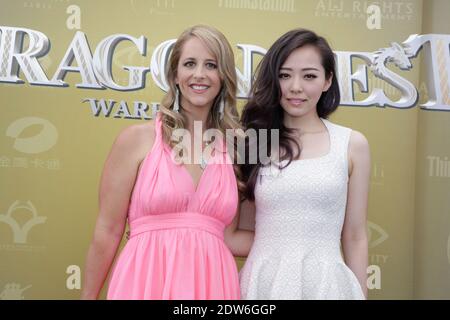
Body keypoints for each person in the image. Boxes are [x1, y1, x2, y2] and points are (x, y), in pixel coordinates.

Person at [80, 25, 253, 300]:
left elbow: (232, 238)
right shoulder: (137, 139)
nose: (199, 74)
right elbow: (108, 230)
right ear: (174, 75)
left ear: (224, 76)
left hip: (212, 286)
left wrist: (307, 239)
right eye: (189, 64)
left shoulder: (236, 150)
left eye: (211, 65)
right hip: (144, 281)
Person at [239, 29, 370, 299]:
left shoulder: (352, 144)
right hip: (263, 284)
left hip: (328, 286)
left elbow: (355, 236)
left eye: (309, 76)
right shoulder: (254, 143)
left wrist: (361, 293)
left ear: (327, 80)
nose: (295, 86)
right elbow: (243, 230)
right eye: (285, 75)